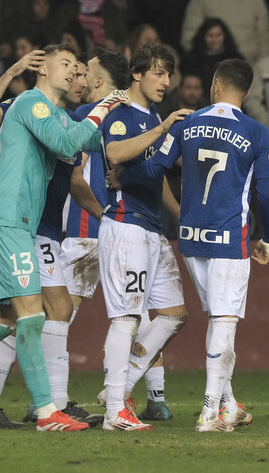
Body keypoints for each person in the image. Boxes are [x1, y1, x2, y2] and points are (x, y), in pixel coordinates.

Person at [0, 43, 128, 432]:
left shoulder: (52, 113)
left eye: (77, 66)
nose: (73, 71)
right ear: (43, 69)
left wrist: (125, 118)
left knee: (2, 320)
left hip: (15, 223)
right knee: (33, 316)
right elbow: (66, 142)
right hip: (9, 222)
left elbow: (86, 141)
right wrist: (103, 107)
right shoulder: (33, 103)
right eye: (65, 64)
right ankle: (48, 412)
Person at [110, 58, 269, 432]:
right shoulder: (256, 131)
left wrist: (124, 175)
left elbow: (155, 169)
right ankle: (209, 412)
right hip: (228, 239)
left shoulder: (186, 121)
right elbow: (267, 192)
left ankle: (228, 405)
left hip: (189, 238)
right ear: (246, 93)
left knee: (218, 317)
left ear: (215, 84)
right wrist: (267, 237)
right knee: (224, 321)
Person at [0, 51, 105, 428]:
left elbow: (94, 157)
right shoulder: (32, 105)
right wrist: (12, 70)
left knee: (14, 317)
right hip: (28, 224)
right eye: (74, 72)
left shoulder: (69, 116)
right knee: (49, 309)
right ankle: (48, 404)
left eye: (84, 75)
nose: (81, 80)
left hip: (39, 225)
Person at [95, 43, 191, 431]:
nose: (166, 81)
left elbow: (156, 177)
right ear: (136, 73)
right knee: (127, 318)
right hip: (125, 225)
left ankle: (119, 384)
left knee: (174, 316)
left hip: (153, 229)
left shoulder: (150, 116)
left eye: (169, 74)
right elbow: (115, 152)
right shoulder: (121, 114)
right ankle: (115, 408)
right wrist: (164, 127)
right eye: (158, 73)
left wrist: (179, 216)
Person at [181, 0, 269, 65]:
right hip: (211, 68)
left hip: (250, 67)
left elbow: (265, 38)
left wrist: (260, 67)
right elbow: (189, 36)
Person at [180, 18, 244, 99]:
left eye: (218, 35)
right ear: (203, 37)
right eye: (210, 36)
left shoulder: (235, 59)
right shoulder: (190, 59)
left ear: (224, 36)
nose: (214, 40)